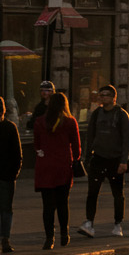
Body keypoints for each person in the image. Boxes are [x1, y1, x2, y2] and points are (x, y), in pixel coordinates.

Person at [78, 85, 129, 239]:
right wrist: (88, 158)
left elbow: (127, 140)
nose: (102, 98)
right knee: (92, 192)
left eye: (106, 95)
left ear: (114, 98)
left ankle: (117, 224)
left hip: (115, 160)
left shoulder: (121, 115)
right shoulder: (96, 114)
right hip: (98, 158)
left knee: (117, 194)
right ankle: (89, 222)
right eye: (101, 95)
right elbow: (90, 136)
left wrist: (124, 161)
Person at [34, 92, 81, 250]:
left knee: (47, 206)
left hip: (45, 167)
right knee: (62, 203)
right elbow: (76, 147)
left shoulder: (40, 122)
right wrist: (76, 159)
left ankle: (49, 237)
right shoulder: (69, 122)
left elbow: (37, 144)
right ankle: (64, 233)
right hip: (63, 167)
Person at [0, 98, 22, 253]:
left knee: (6, 209)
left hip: (6, 175)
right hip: (7, 175)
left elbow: (17, 154)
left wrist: (13, 173)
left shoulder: (10, 128)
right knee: (6, 209)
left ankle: (5, 239)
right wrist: (13, 173)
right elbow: (17, 154)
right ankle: (5, 240)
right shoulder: (9, 127)